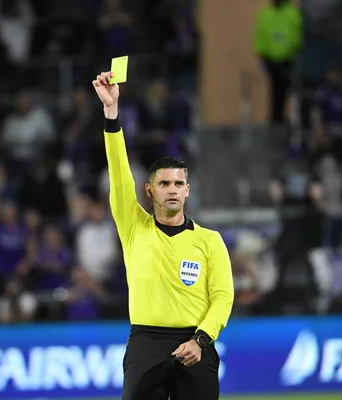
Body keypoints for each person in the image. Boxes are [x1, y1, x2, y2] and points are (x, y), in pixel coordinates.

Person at [92, 71, 234, 400]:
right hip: (145, 345)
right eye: (164, 183)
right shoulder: (134, 225)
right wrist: (111, 113)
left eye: (178, 184)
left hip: (196, 346)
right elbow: (118, 172)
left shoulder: (210, 240)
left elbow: (223, 298)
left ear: (187, 190)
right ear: (149, 189)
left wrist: (201, 340)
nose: (172, 190)